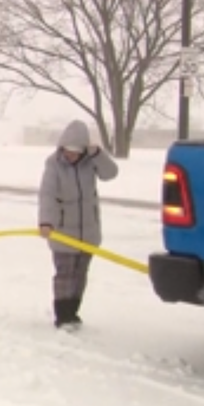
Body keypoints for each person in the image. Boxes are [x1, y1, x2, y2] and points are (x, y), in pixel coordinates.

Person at [37, 119, 119, 330]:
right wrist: (46, 222)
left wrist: (98, 154)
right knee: (65, 274)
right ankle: (63, 316)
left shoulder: (91, 161)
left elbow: (110, 174)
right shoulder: (53, 164)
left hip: (88, 230)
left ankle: (73, 312)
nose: (69, 155)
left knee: (80, 274)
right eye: (67, 150)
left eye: (75, 151)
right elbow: (47, 194)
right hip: (63, 230)